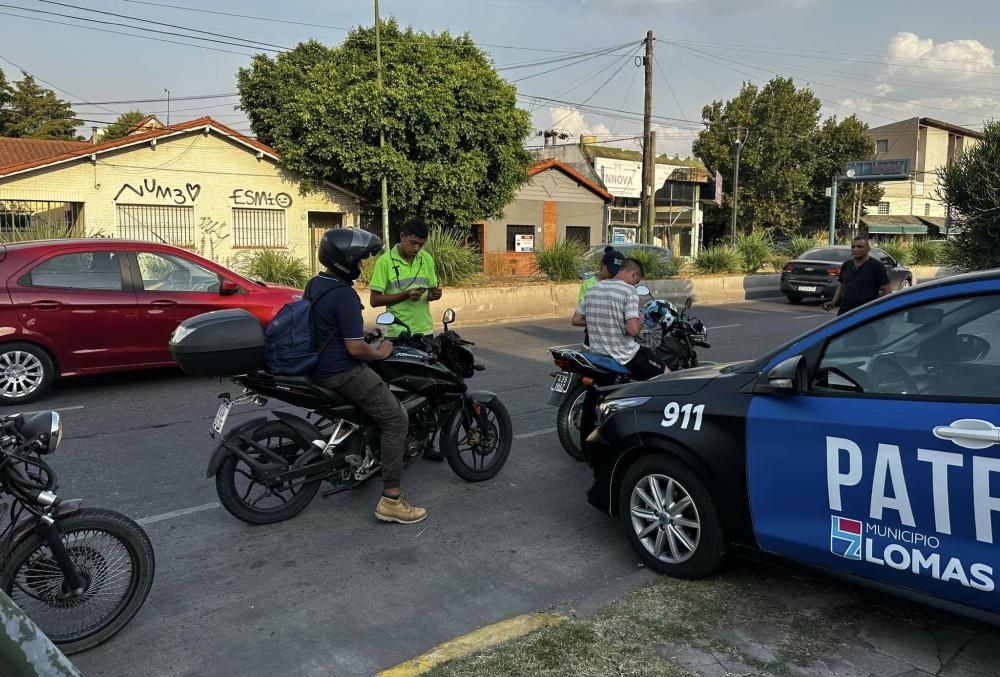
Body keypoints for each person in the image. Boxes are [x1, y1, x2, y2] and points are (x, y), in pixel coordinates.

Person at [309, 228, 427, 525]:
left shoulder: (317, 284)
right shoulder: (344, 294)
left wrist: (362, 332)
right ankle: (392, 500)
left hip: (318, 365)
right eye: (359, 259)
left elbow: (328, 328)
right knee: (396, 418)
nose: (361, 264)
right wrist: (380, 352)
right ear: (345, 260)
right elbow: (355, 349)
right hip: (342, 372)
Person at [571, 258, 665, 381]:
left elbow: (576, 320)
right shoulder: (629, 291)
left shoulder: (593, 288)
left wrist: (603, 320)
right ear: (634, 274)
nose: (635, 285)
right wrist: (640, 319)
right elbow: (633, 331)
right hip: (625, 356)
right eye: (636, 282)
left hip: (597, 354)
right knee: (665, 374)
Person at [369, 219, 443, 338]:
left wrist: (434, 295)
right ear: (402, 236)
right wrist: (406, 295)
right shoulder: (384, 262)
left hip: (425, 332)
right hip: (398, 334)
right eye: (413, 243)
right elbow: (374, 301)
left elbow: (429, 294)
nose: (417, 248)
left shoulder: (427, 259)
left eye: (421, 244)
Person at [822, 236, 893, 315]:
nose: (855, 249)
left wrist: (884, 310)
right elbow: (841, 285)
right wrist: (834, 302)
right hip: (845, 311)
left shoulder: (877, 266)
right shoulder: (847, 265)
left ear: (868, 249)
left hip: (866, 312)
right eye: (853, 247)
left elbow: (887, 291)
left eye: (860, 247)